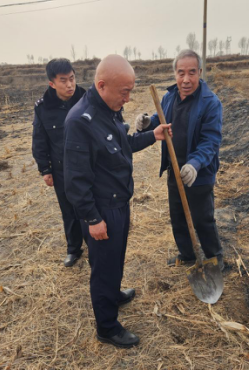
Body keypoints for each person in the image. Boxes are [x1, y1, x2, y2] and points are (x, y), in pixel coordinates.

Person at [64, 55, 172, 349]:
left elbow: (122, 146)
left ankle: (112, 294)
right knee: (104, 267)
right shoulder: (80, 121)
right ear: (102, 85)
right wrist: (92, 219)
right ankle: (107, 327)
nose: (128, 98)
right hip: (102, 210)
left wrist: (153, 135)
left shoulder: (109, 110)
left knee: (115, 259)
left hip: (119, 203)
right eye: (124, 91)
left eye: (131, 90)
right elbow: (74, 180)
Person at [135, 49, 224, 270]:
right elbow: (160, 119)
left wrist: (194, 164)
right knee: (178, 215)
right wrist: (148, 122)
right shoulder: (169, 97)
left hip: (199, 172)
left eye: (192, 73)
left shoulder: (210, 103)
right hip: (174, 166)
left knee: (203, 218)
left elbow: (210, 141)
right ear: (175, 73)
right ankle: (187, 254)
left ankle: (215, 257)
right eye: (181, 72)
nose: (186, 79)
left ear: (200, 72)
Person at [32, 59, 86, 268]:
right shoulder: (44, 108)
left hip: (88, 164)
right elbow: (39, 139)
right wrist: (45, 169)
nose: (70, 85)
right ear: (52, 83)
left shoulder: (87, 99)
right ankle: (74, 249)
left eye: (72, 79)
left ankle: (95, 244)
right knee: (68, 209)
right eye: (63, 81)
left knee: (91, 205)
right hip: (61, 167)